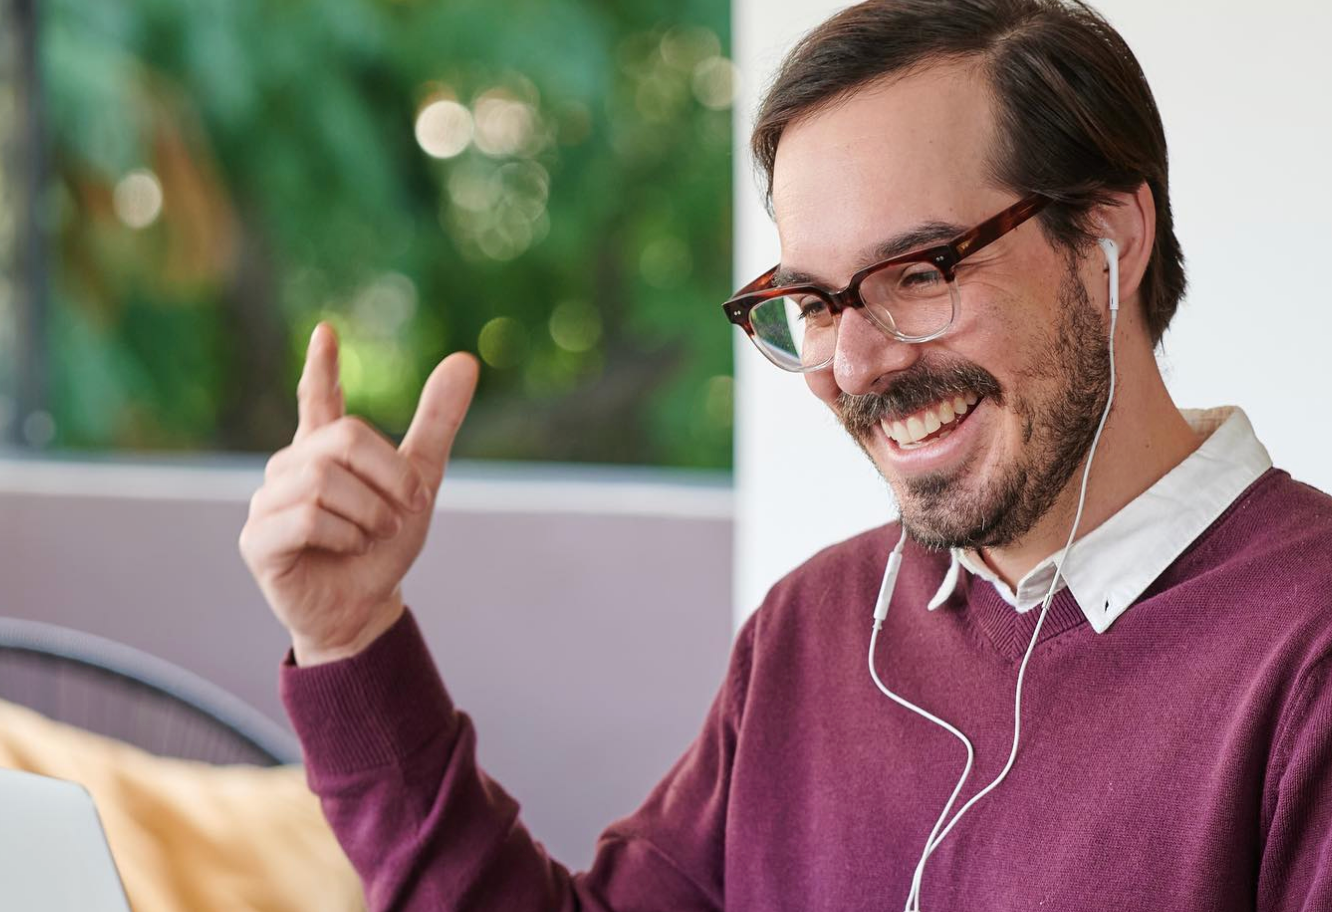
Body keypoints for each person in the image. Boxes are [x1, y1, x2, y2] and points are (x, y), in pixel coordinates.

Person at [238, 1, 1332, 909]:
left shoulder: (1305, 652)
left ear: (1110, 238)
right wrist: (348, 639)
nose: (851, 366)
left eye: (919, 272)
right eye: (811, 300)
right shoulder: (817, 628)